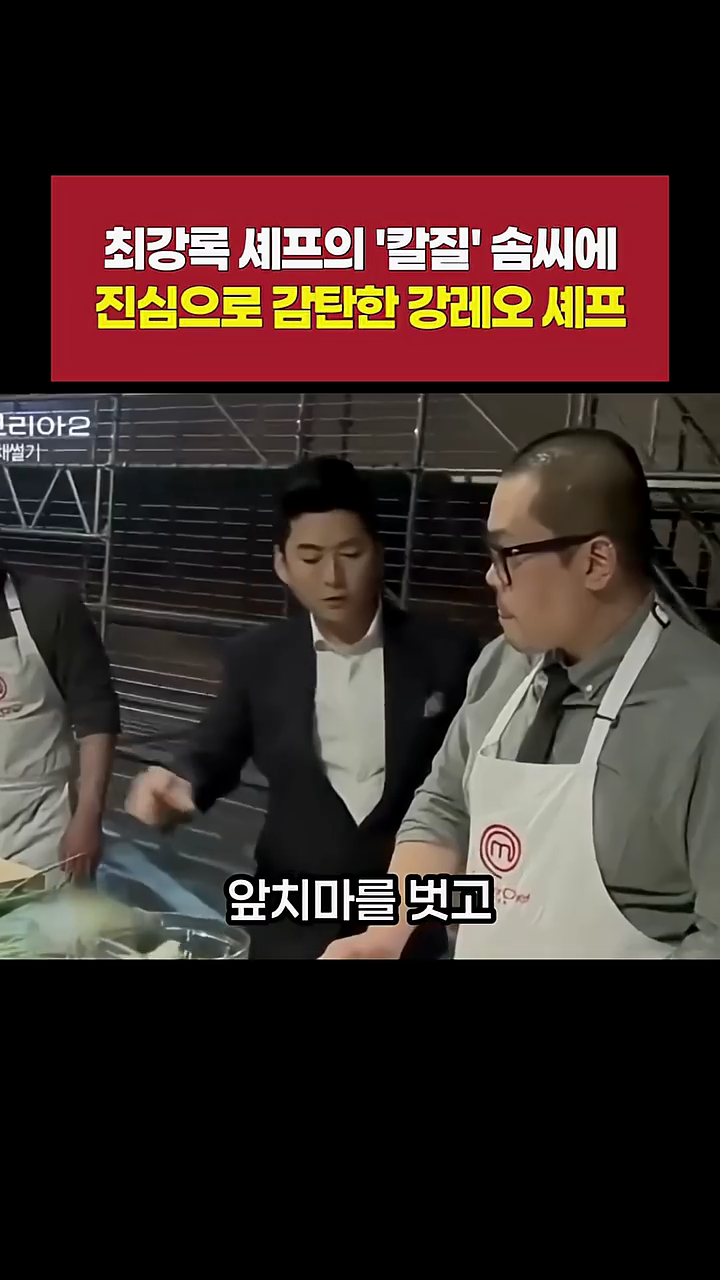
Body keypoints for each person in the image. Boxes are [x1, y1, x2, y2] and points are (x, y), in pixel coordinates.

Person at [321, 428, 720, 961]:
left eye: (508, 554)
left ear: (596, 562)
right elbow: (445, 807)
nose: (492, 576)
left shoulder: (704, 709)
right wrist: (388, 934)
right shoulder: (501, 666)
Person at [125, 456, 480, 959]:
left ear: (379, 553)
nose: (333, 576)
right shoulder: (258, 656)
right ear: (282, 564)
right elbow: (215, 747)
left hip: (402, 922)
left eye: (350, 553)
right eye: (310, 558)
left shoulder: (449, 654)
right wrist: (179, 782)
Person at [0, 559, 120, 886]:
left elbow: (97, 715)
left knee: (45, 916)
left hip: (41, 822)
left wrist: (88, 816)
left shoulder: (48, 606)